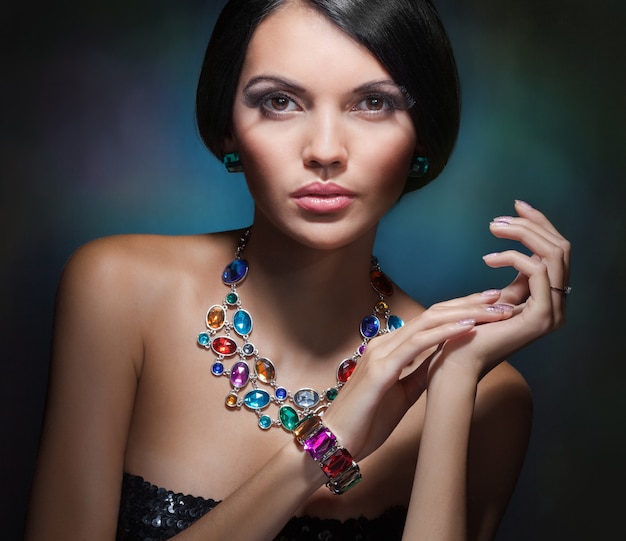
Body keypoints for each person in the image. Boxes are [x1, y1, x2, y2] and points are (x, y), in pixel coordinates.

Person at [25, 0, 571, 539]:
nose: (325, 150)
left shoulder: (490, 395)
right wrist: (321, 449)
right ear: (227, 128)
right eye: (280, 101)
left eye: (374, 103)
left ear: (421, 138)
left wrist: (452, 381)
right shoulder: (117, 289)